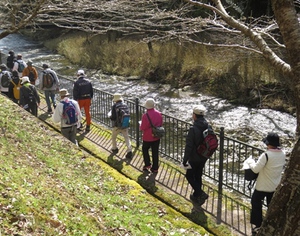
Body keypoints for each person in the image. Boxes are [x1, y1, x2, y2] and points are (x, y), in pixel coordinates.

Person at [246, 132, 286, 235]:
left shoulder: (266, 155)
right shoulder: (283, 154)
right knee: (271, 206)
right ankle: (271, 226)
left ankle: (258, 226)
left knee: (256, 203)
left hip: (262, 186)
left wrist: (250, 161)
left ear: (268, 144)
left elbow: (255, 169)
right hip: (274, 186)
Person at [182, 105, 210, 206]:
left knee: (189, 176)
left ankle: (200, 193)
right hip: (204, 155)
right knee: (198, 175)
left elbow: (189, 146)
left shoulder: (193, 129)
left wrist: (185, 160)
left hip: (194, 157)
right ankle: (196, 195)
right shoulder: (207, 126)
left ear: (194, 115)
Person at [139, 98, 163, 173]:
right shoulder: (159, 113)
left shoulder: (145, 115)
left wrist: (140, 124)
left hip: (147, 136)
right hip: (156, 135)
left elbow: (143, 127)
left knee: (145, 149)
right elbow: (161, 124)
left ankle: (147, 164)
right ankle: (155, 168)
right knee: (155, 151)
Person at [109, 93, 133, 159]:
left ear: (115, 100)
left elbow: (113, 117)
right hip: (125, 125)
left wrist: (110, 116)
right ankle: (129, 150)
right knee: (126, 138)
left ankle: (114, 148)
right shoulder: (125, 105)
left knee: (114, 137)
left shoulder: (114, 106)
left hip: (117, 125)